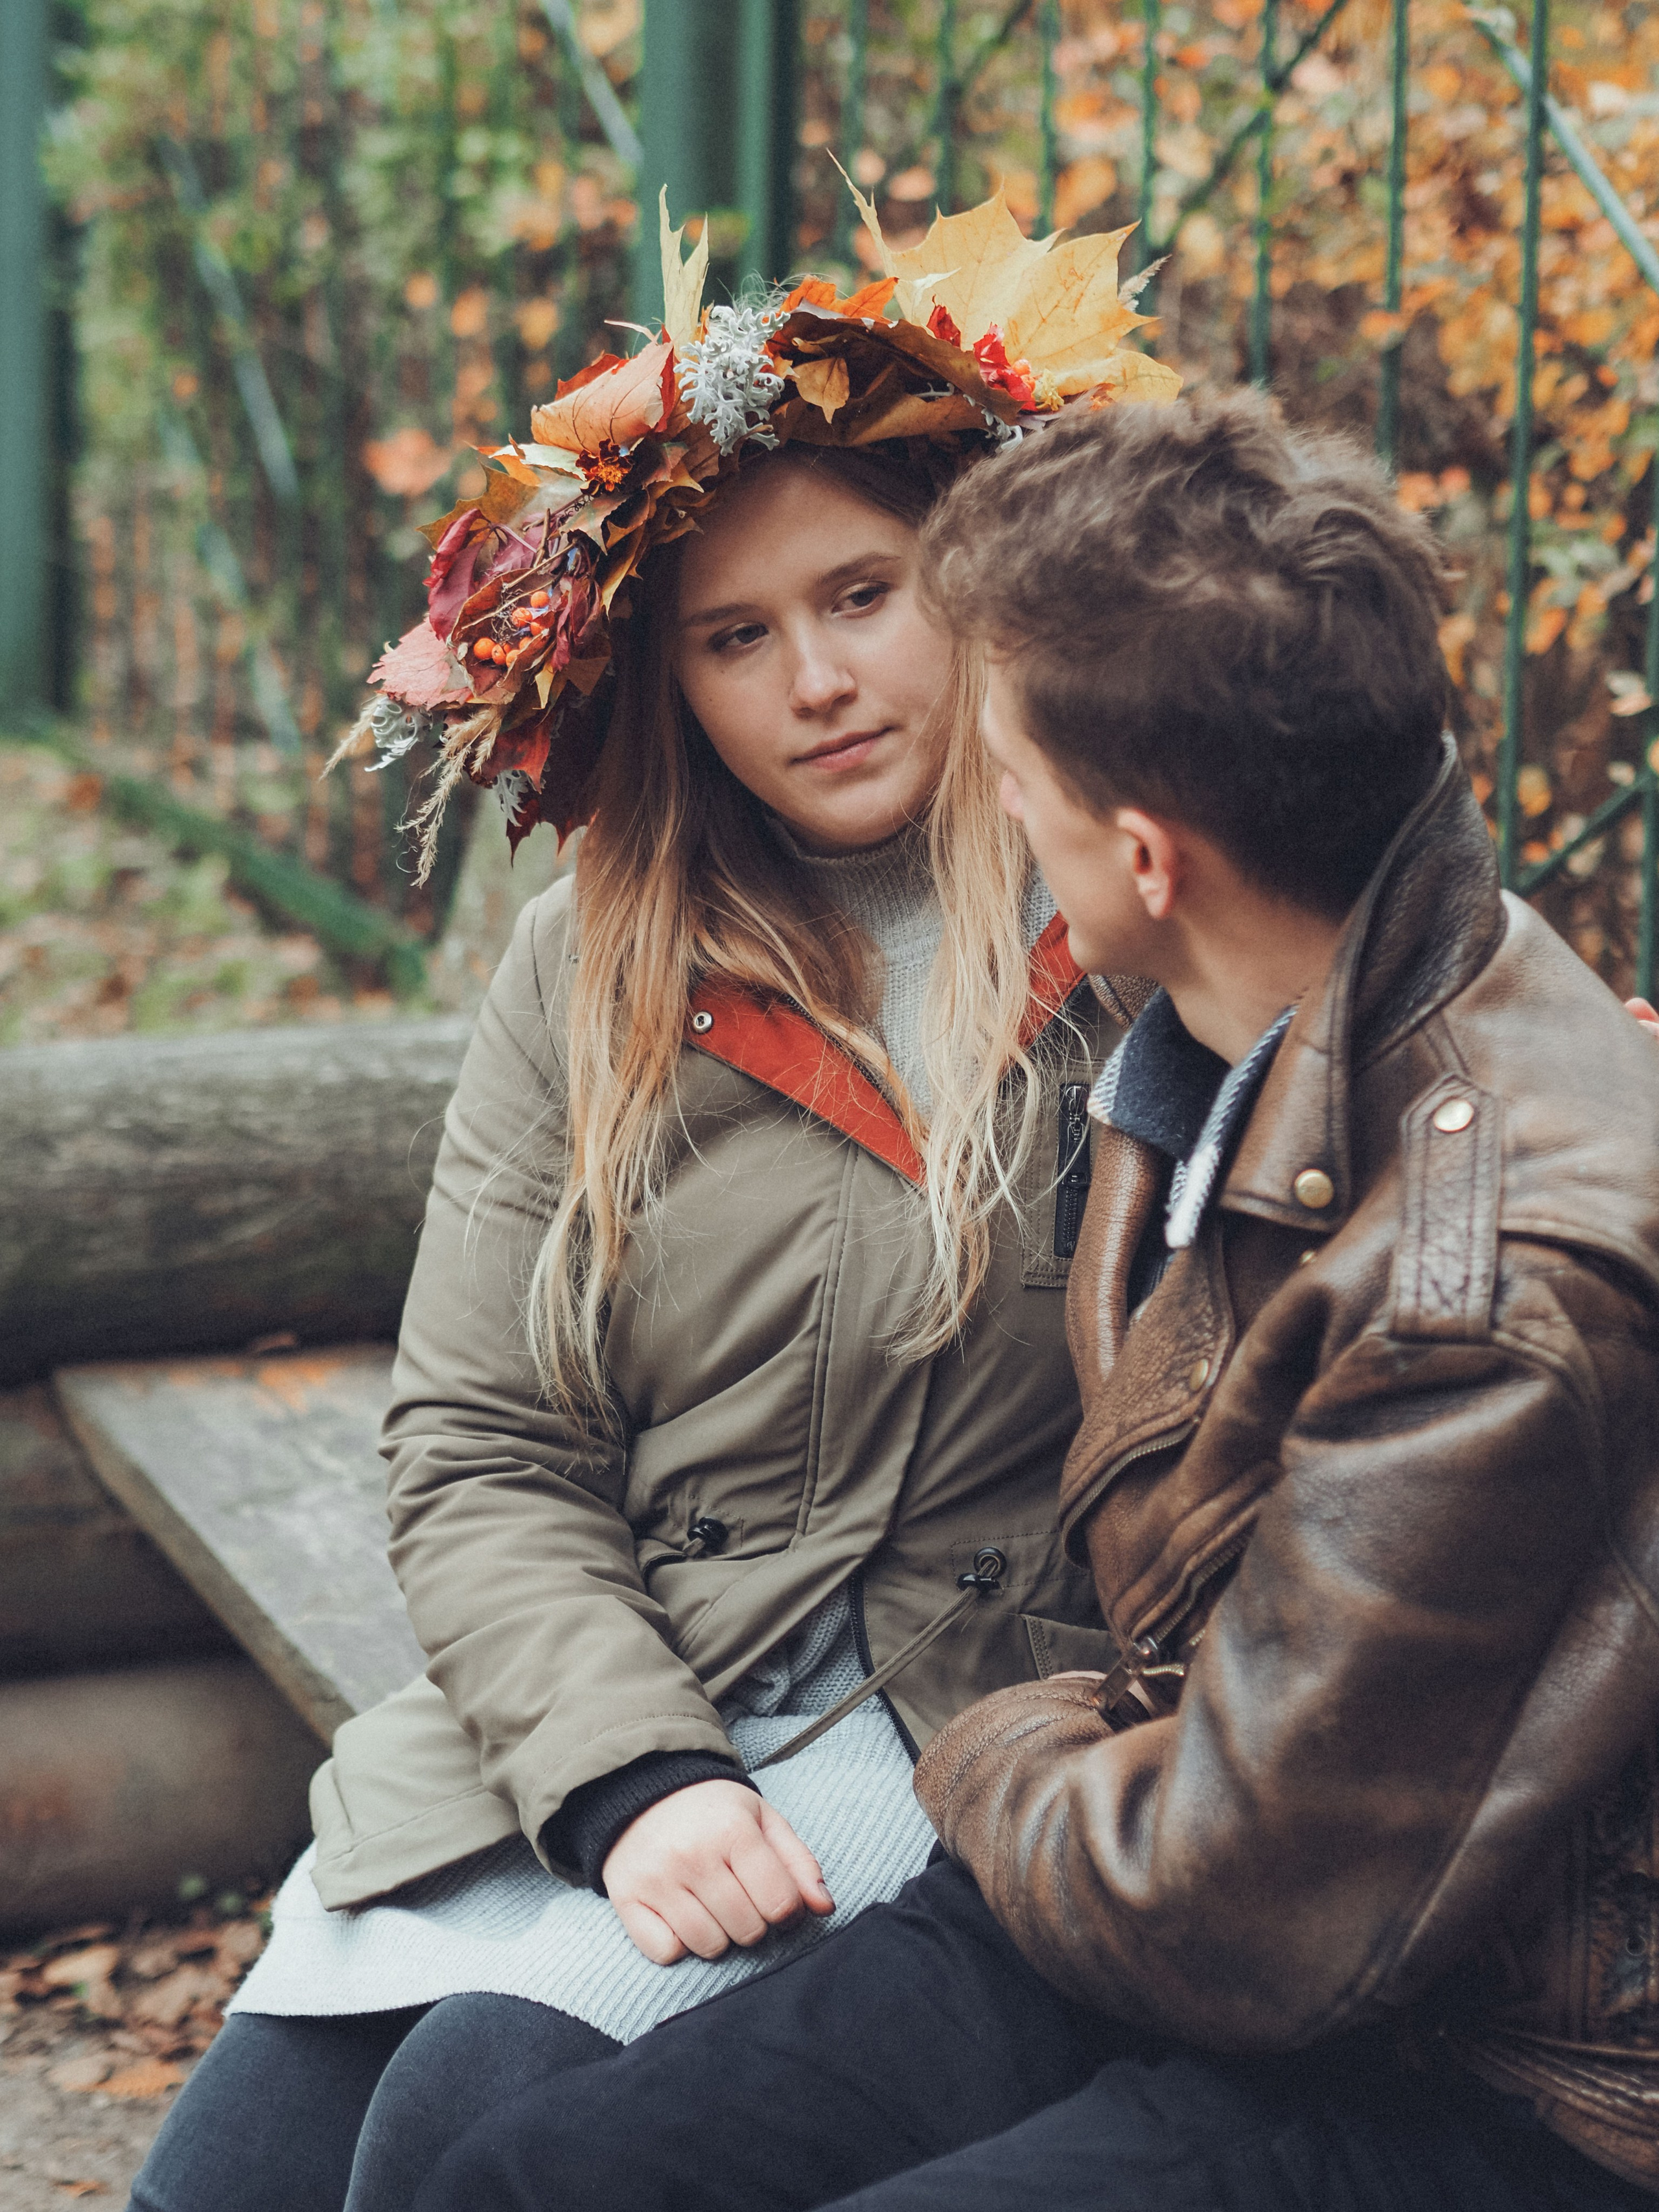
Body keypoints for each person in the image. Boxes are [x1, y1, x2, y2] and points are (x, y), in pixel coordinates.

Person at [405, 390, 1659, 2212]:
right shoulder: (1216, 1044)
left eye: (1014, 780)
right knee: (516, 2171)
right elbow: (482, 1429)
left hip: (1421, 2015)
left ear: (1139, 861)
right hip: (1154, 1836)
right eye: (739, 638)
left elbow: (1243, 1903)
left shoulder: (1473, 1270)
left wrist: (997, 1739)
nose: (981, 805)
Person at [126, 193, 1176, 2212]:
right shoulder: (595, 966)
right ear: (671, 677)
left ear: (976, 580)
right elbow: (480, 1437)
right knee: (223, 2189)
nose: (819, 681)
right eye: (737, 636)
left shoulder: (1142, 908)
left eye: (865, 595)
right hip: (618, 1699)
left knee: (476, 2125)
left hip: (950, 1716)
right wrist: (628, 1770)